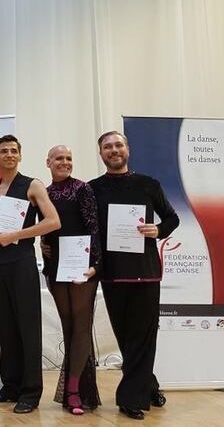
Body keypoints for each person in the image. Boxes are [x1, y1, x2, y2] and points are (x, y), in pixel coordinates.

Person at [89, 131, 178, 420]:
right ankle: (148, 385)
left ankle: (130, 398)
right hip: (113, 275)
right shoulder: (92, 189)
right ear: (101, 153)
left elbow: (172, 218)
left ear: (128, 149)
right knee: (128, 339)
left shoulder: (148, 184)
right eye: (107, 147)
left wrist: (158, 230)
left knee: (143, 337)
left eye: (118, 145)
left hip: (146, 274)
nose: (113, 150)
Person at [0, 134, 60, 414]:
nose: (9, 154)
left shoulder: (32, 185)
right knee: (8, 328)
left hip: (23, 262)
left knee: (28, 328)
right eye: (4, 151)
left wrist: (17, 233)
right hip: (0, 266)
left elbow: (53, 221)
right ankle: (10, 386)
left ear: (20, 155)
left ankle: (30, 392)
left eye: (14, 150)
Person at [40, 145, 102, 415]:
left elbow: (93, 227)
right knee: (69, 328)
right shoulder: (44, 193)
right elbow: (44, 225)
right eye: (59, 158)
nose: (64, 162)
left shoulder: (82, 188)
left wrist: (94, 265)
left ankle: (74, 389)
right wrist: (42, 242)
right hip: (55, 267)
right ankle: (76, 388)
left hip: (81, 267)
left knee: (81, 327)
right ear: (48, 162)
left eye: (68, 158)